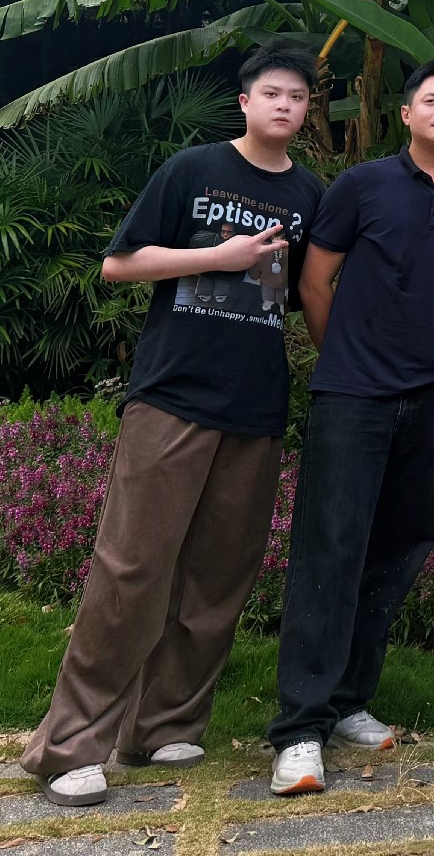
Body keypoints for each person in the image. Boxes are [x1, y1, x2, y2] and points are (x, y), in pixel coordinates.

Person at [22, 48, 326, 808]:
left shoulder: (309, 194)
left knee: (219, 575)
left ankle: (163, 723)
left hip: (254, 404)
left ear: (307, 110)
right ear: (245, 101)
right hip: (172, 396)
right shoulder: (193, 170)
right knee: (132, 567)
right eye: (272, 93)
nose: (284, 105)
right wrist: (218, 255)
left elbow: (304, 291)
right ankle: (71, 746)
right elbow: (120, 263)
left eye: (297, 97)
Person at [269, 59, 434, 797]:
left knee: (400, 544)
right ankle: (299, 727)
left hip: (428, 395)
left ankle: (347, 701)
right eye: (431, 99)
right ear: (406, 113)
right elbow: (314, 281)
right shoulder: (362, 185)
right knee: (330, 547)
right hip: (353, 395)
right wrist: (345, 355)